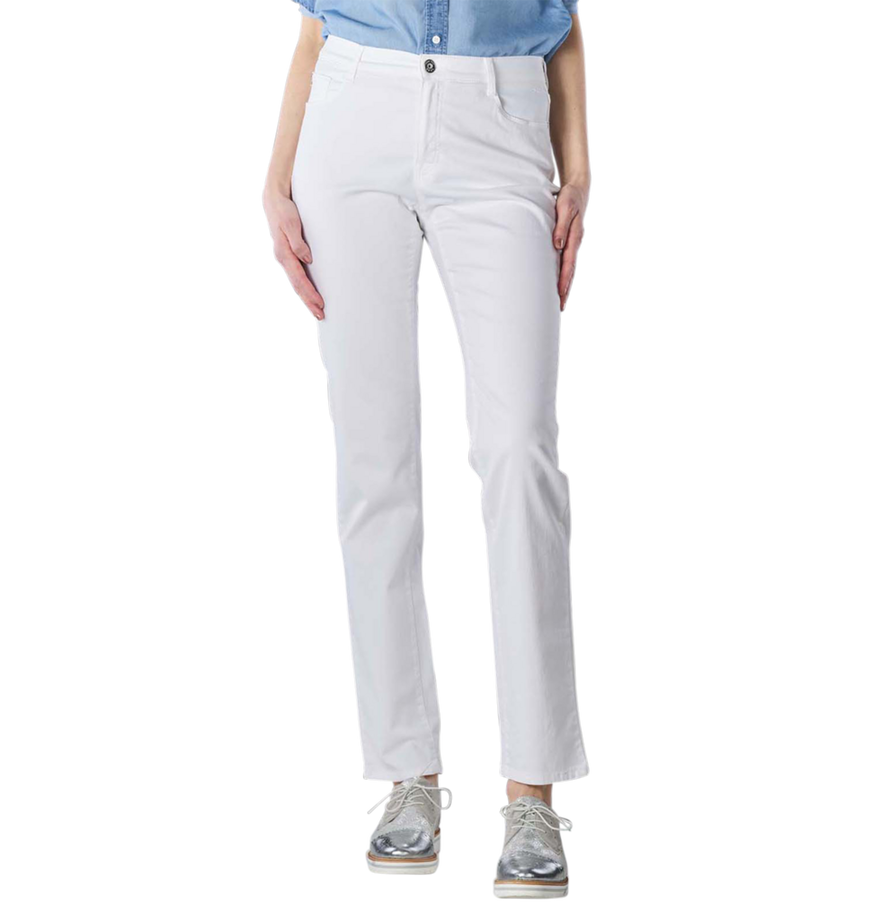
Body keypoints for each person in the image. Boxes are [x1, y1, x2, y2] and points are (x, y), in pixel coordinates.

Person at [261, 1, 593, 901]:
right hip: (351, 118)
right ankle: (406, 770)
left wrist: (577, 167)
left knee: (521, 451)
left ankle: (533, 788)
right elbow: (318, 22)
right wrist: (278, 174)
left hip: (501, 118)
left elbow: (564, 17)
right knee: (374, 465)